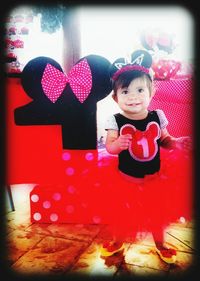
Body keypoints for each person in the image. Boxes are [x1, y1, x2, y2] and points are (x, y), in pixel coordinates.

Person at [100, 50, 192, 263]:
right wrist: (117, 144)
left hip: (154, 180)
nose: (133, 96)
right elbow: (110, 147)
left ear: (151, 92)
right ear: (115, 98)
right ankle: (118, 241)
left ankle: (160, 244)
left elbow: (164, 139)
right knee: (123, 215)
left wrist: (176, 142)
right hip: (126, 181)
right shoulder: (115, 121)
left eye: (140, 90)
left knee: (156, 215)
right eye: (125, 92)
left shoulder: (157, 117)